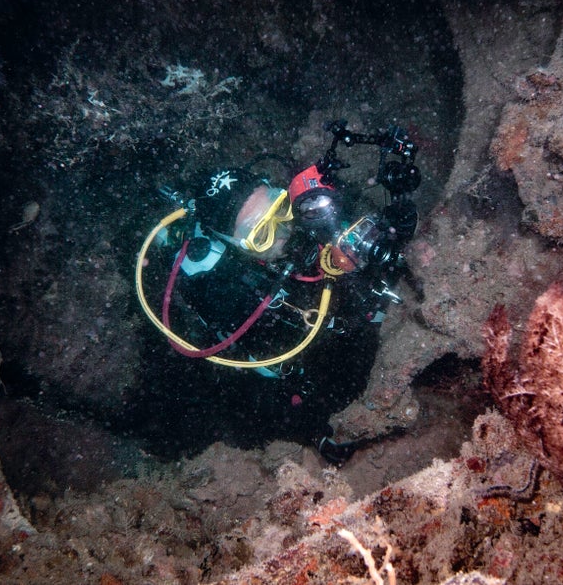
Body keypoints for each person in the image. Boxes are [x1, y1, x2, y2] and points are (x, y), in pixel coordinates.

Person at [135, 120, 420, 461]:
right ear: (233, 246)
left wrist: (396, 217)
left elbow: (374, 233)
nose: (284, 230)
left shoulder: (310, 212)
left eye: (278, 206)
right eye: (260, 234)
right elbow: (268, 388)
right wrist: (313, 430)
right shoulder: (233, 296)